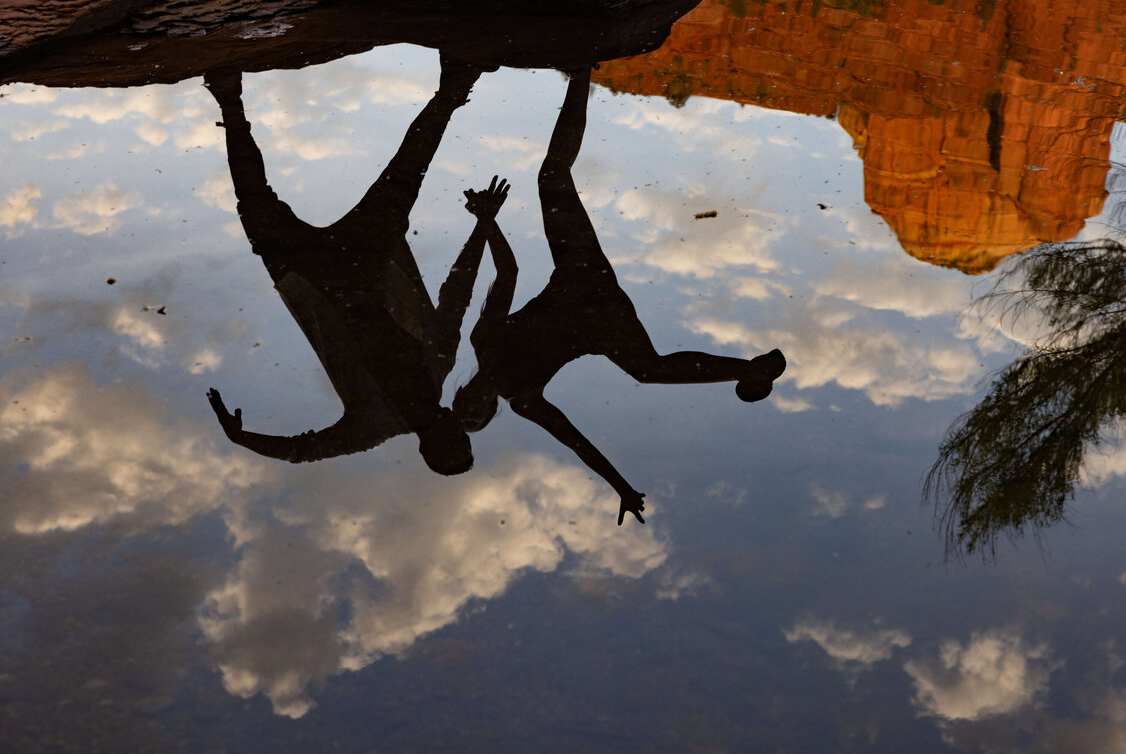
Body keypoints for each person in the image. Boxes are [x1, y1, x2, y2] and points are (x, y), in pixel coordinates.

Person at [455, 69, 786, 523]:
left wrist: (487, 220)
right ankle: (747, 369)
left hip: (577, 279)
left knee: (551, 174)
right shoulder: (523, 398)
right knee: (647, 370)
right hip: (603, 323)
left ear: (461, 394)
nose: (473, 405)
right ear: (491, 409)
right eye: (477, 415)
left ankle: (580, 70)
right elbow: (576, 442)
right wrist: (622, 487)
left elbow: (508, 272)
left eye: (464, 408)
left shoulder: (484, 338)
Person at [203, 56, 492, 475]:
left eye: (455, 441)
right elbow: (458, 292)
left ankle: (229, 98)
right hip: (367, 261)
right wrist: (483, 225)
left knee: (255, 197)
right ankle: (453, 87)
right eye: (464, 439)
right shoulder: (439, 361)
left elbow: (302, 451)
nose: (458, 430)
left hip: (311, 279)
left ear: (432, 444)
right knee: (405, 175)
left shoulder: (372, 426)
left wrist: (243, 438)